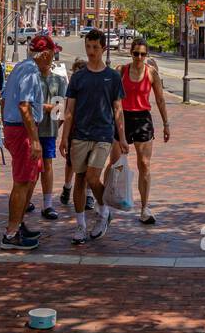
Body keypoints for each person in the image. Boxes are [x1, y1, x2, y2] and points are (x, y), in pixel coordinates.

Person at [59, 29, 128, 245]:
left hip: (103, 134)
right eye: (88, 47)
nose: (91, 52)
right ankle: (80, 225)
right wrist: (64, 137)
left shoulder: (113, 77)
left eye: (95, 48)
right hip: (80, 134)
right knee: (79, 179)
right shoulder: (79, 77)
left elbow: (118, 109)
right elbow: (69, 110)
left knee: (92, 176)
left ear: (103, 48)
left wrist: (122, 137)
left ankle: (103, 211)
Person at [0, 36, 54, 250]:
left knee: (30, 178)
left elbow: (4, 99)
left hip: (15, 128)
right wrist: (34, 139)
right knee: (22, 182)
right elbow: (24, 107)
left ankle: (18, 224)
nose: (53, 59)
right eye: (52, 53)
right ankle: (11, 233)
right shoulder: (30, 73)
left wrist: (5, 126)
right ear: (46, 54)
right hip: (22, 131)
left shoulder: (21, 67)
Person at [117, 38, 170, 225]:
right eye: (136, 53)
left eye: (142, 54)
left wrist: (166, 124)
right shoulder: (121, 71)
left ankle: (144, 208)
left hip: (142, 119)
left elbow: (161, 100)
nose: (139, 57)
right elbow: (111, 98)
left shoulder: (151, 73)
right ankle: (106, 202)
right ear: (130, 53)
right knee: (115, 163)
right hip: (122, 117)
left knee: (144, 164)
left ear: (147, 55)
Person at [59, 57, 95, 213]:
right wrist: (63, 135)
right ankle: (67, 187)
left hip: (90, 131)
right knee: (71, 163)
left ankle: (88, 195)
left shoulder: (93, 87)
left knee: (88, 165)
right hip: (74, 131)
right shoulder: (72, 88)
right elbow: (66, 111)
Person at [36, 41, 68, 220]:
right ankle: (26, 199)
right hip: (30, 129)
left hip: (48, 130)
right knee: (31, 166)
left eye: (50, 55)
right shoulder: (31, 78)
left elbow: (59, 110)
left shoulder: (59, 80)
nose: (47, 59)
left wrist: (43, 108)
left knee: (47, 165)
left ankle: (47, 204)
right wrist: (48, 107)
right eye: (43, 55)